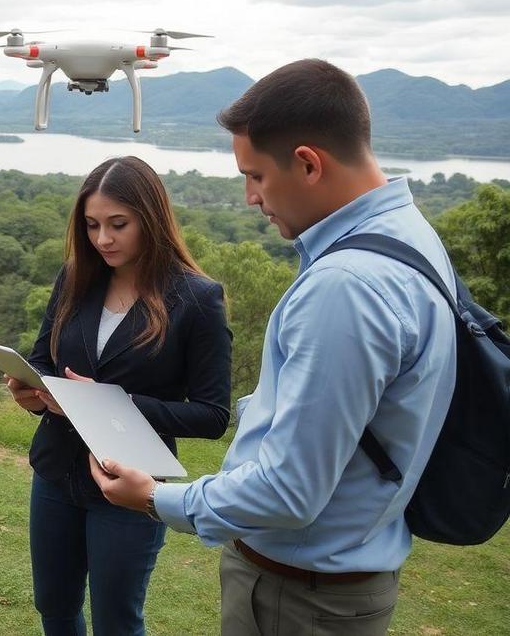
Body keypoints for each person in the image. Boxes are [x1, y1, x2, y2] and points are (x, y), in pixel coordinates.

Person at [88, 60, 458, 635]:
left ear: (308, 163)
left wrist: (156, 499)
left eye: (255, 175)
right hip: (345, 572)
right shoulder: (410, 236)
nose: (250, 197)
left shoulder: (346, 286)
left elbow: (289, 492)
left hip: (298, 596)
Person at [6, 155, 232, 635]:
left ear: (150, 219)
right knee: (55, 607)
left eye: (118, 224)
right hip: (55, 472)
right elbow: (43, 359)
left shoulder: (196, 298)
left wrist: (110, 401)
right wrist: (32, 388)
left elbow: (212, 415)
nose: (103, 239)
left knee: (116, 620)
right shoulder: (76, 277)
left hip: (130, 485)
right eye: (91, 225)